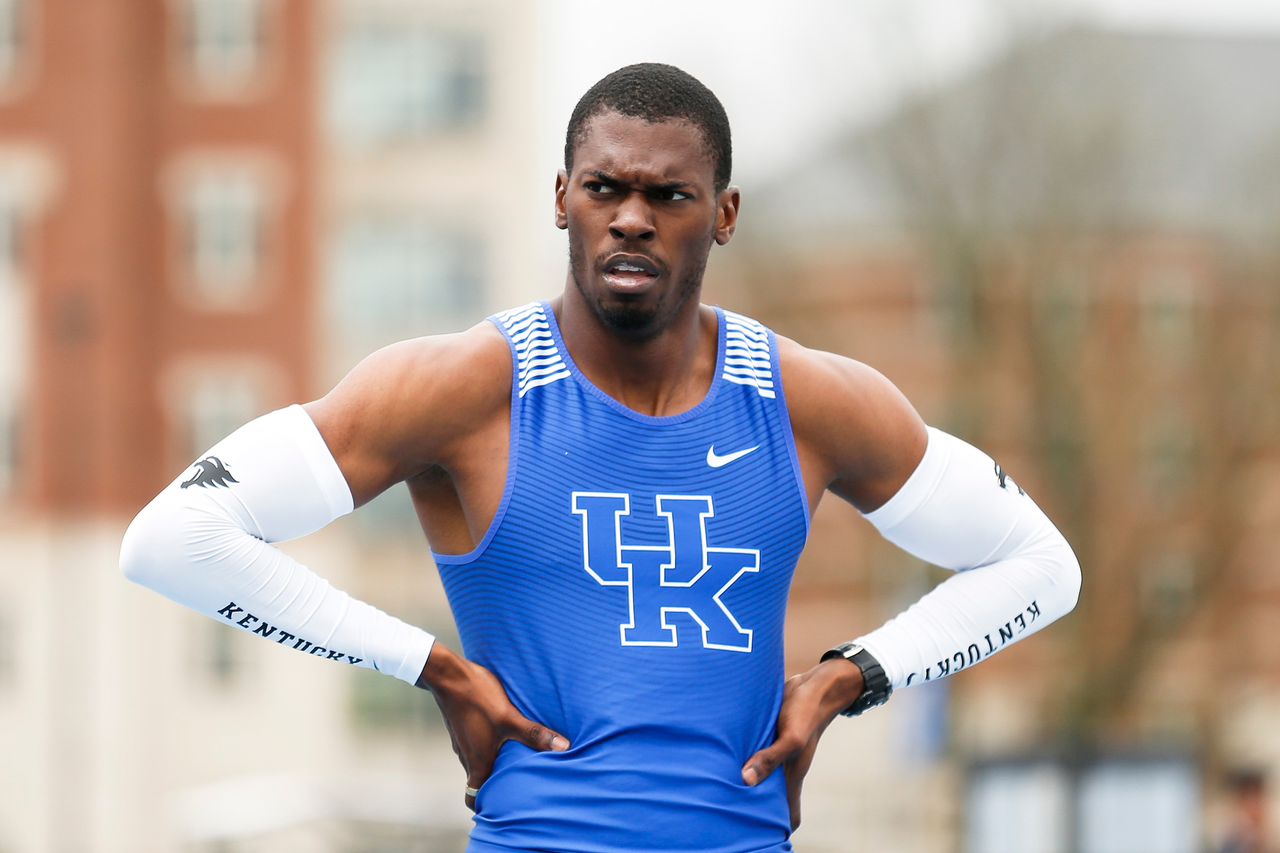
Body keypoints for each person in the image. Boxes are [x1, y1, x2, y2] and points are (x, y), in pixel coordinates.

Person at [120, 63, 1081, 852]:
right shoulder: (462, 385)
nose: (632, 217)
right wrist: (433, 669)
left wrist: (850, 676)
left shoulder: (811, 399)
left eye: (669, 194)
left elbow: (1042, 568)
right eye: (605, 188)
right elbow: (172, 537)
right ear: (560, 199)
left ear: (725, 212)